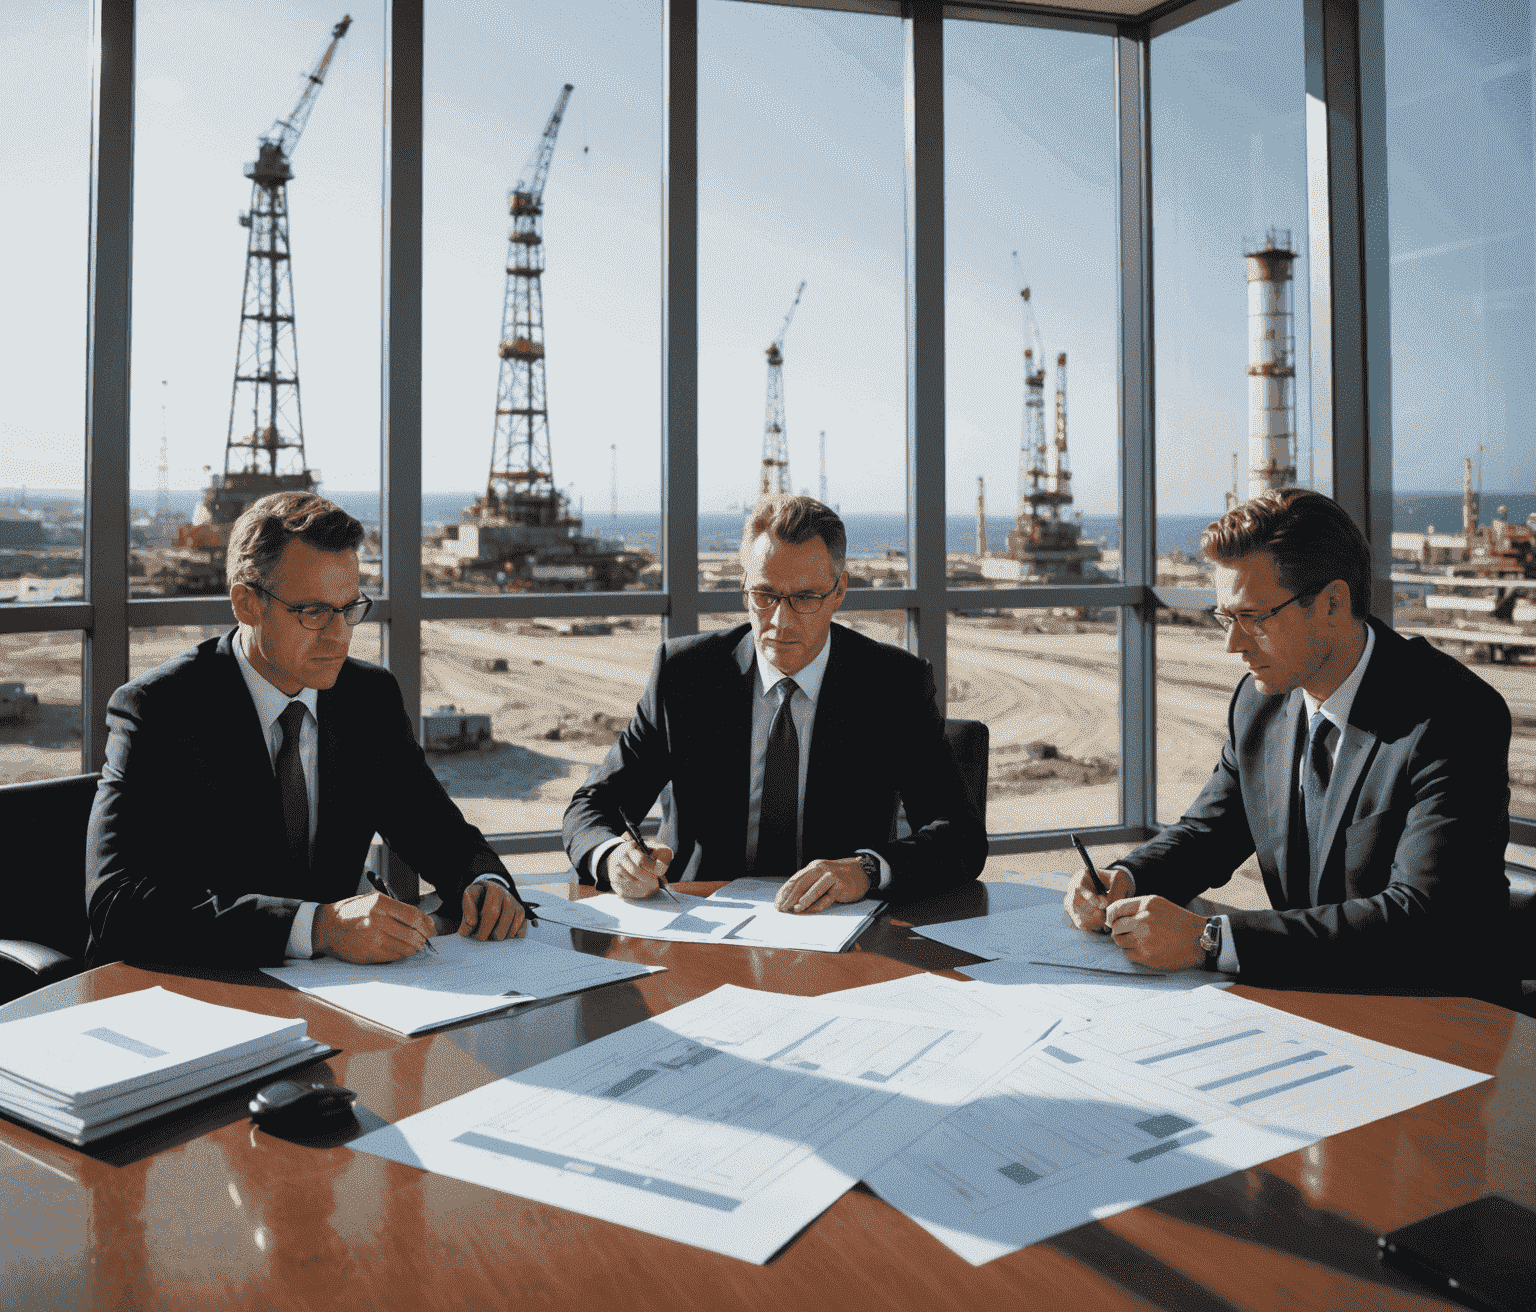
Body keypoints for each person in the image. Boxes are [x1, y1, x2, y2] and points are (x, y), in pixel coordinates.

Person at [1063, 487, 1512, 996]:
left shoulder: (1452, 715)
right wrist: (1126, 877)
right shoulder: (1261, 703)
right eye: (1225, 617)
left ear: (1333, 602)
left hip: (1440, 1014)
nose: (1233, 643)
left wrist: (1211, 941)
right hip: (1307, 998)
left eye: (1253, 617)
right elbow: (1209, 833)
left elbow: (1422, 917)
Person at [87, 492, 529, 968]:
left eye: (349, 609)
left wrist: (485, 883)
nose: (338, 635)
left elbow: (432, 826)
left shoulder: (369, 696)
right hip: (192, 990)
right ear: (246, 604)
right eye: (313, 612)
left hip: (339, 992)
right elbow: (116, 903)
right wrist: (317, 927)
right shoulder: (161, 708)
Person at [562, 494, 987, 912]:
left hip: (842, 927)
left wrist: (868, 871)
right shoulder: (684, 675)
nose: (780, 621)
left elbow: (961, 836)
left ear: (839, 591)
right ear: (743, 589)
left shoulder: (894, 683)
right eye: (764, 595)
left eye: (804, 597)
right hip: (701, 926)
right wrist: (612, 857)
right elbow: (593, 805)